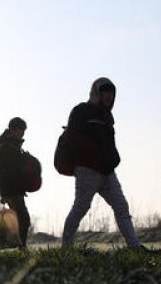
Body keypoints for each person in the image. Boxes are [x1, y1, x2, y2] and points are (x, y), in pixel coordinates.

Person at [60, 78, 154, 252]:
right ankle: (66, 249)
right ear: (96, 92)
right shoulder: (81, 111)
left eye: (111, 93)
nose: (109, 96)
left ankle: (134, 247)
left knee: (121, 207)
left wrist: (113, 159)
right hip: (87, 170)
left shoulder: (107, 116)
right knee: (81, 208)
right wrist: (91, 158)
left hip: (107, 172)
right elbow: (73, 139)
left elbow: (109, 144)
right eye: (105, 91)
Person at [0, 117, 32, 248]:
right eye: (19, 130)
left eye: (23, 131)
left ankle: (18, 246)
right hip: (12, 190)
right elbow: (7, 171)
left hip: (15, 189)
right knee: (23, 219)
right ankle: (21, 248)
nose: (21, 133)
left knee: (20, 219)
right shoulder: (6, 148)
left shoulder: (12, 146)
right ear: (11, 130)